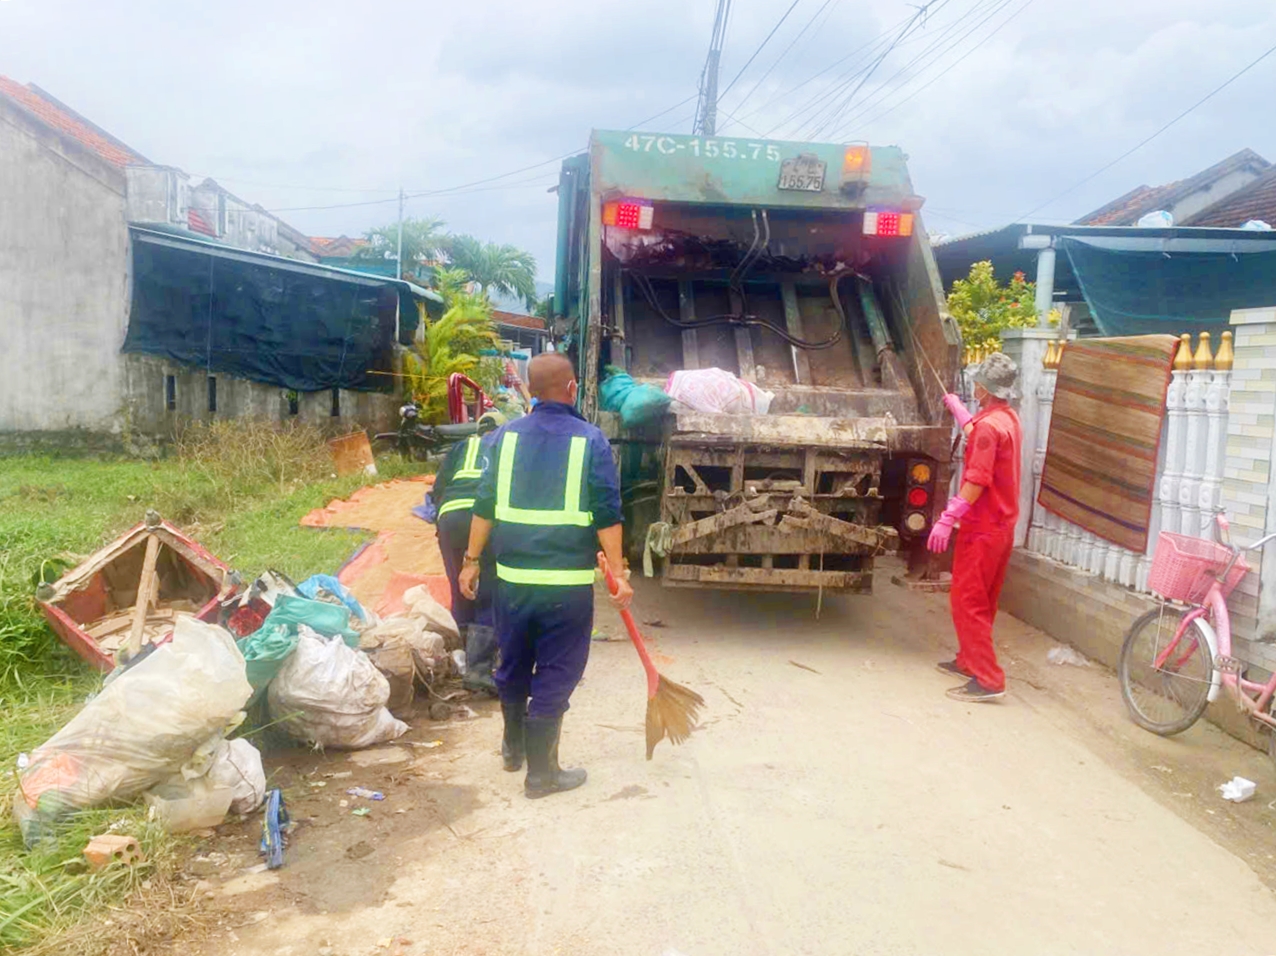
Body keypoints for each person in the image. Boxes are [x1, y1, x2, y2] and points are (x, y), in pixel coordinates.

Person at [459, 352, 633, 799]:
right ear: (572, 388)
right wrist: (618, 573)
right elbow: (607, 513)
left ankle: (513, 748)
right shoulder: (590, 440)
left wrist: (471, 561)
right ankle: (542, 775)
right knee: (557, 671)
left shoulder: (504, 437)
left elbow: (484, 504)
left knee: (514, 661)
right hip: (565, 587)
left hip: (512, 583)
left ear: (531, 392)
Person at [927, 351, 1022, 703]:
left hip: (981, 527)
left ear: (984, 388)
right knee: (984, 599)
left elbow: (978, 478)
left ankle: (989, 678)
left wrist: (948, 516)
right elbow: (981, 436)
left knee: (967, 600)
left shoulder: (988, 427)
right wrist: (960, 411)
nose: (974, 388)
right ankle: (968, 660)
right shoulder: (1006, 419)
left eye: (977, 384)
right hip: (1001, 527)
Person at [432, 410, 504, 696]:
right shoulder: (502, 445)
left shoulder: (461, 447)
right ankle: (479, 669)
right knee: (488, 588)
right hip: (482, 516)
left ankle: (459, 660)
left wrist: (441, 521)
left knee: (459, 584)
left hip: (450, 516)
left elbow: (438, 488)